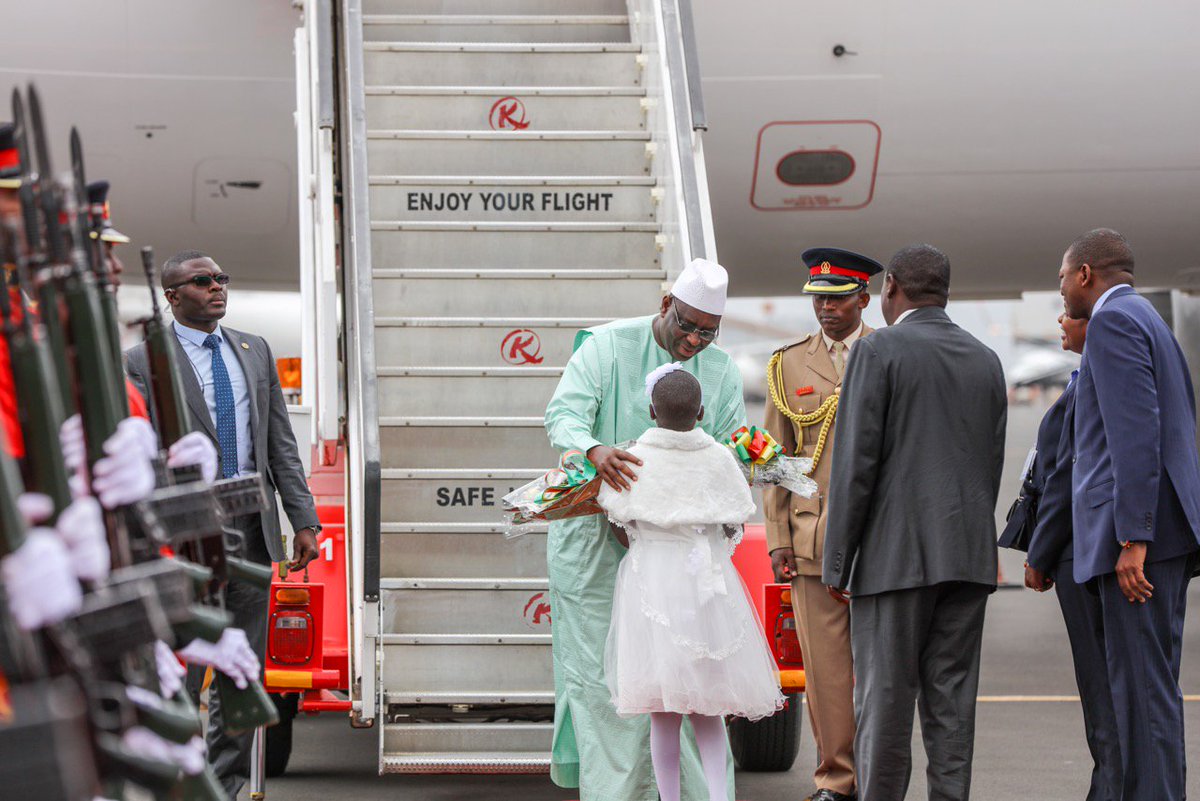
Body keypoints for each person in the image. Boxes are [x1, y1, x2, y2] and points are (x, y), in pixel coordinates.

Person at [543, 257, 746, 801]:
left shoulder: (721, 370)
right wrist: (594, 449)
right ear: (666, 305)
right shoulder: (607, 347)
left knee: (692, 683)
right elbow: (563, 415)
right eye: (687, 325)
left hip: (680, 559)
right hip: (594, 552)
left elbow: (733, 449)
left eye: (708, 332)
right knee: (608, 682)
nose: (695, 340)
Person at [124, 249, 322, 797]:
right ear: (172, 296)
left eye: (220, 278)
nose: (216, 287)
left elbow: (280, 444)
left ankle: (226, 786)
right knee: (185, 668)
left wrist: (303, 518)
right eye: (201, 281)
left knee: (241, 673)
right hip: (185, 535)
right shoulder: (140, 361)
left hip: (251, 530)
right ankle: (178, 783)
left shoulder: (254, 350)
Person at [822, 244, 1007, 801]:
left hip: (893, 561)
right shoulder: (986, 358)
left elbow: (855, 466)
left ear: (892, 287)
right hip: (967, 559)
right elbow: (989, 464)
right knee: (952, 709)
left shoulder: (877, 350)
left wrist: (837, 562)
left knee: (885, 706)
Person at [1058, 228, 1200, 799]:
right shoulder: (1148, 318)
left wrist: (1133, 537)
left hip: (1143, 543)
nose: (1062, 289)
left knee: (1141, 699)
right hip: (1166, 534)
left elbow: (1136, 434)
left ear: (1085, 274)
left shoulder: (1113, 321)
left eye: (1063, 278)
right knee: (1152, 694)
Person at [601, 366, 783, 801]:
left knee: (663, 712)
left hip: (652, 585)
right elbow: (733, 523)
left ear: (651, 411)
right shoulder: (719, 458)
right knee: (709, 707)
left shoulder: (633, 459)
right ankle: (718, 796)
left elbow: (619, 523)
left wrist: (651, 541)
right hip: (706, 588)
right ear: (701, 412)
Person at [763, 247, 881, 801]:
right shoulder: (788, 364)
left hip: (880, 538)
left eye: (838, 300)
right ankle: (837, 781)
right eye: (818, 300)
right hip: (812, 538)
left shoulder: (889, 353)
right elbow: (775, 460)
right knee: (827, 674)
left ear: (864, 298)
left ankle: (881, 776)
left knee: (884, 671)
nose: (826, 309)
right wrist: (778, 538)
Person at [1001, 311, 1122, 800]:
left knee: (1100, 684)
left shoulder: (1089, 382)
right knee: (1106, 684)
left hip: (1079, 554)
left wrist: (1040, 554)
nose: (1060, 320)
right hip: (1084, 550)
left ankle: (1110, 787)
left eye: (1070, 315)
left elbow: (1064, 479)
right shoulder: (1082, 379)